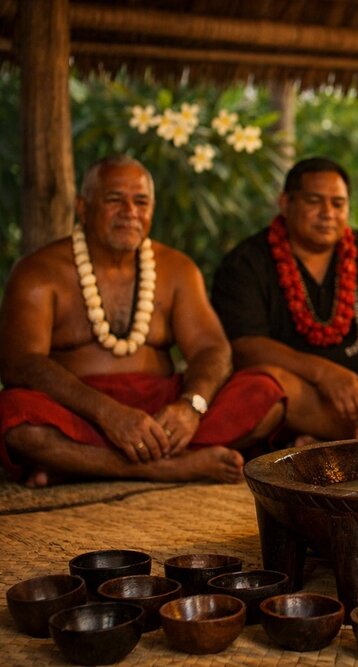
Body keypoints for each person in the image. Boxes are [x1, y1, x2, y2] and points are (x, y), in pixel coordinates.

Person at [0, 155, 285, 487]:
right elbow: (20, 364)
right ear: (83, 207)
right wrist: (107, 413)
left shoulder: (177, 269)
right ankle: (165, 468)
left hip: (161, 413)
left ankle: (80, 464)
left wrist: (190, 407)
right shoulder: (39, 271)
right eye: (114, 200)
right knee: (14, 416)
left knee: (265, 394)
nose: (130, 212)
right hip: (79, 410)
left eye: (141, 201)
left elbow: (211, 348)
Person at [211, 158, 358, 442]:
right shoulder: (246, 264)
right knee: (268, 386)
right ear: (285, 203)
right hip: (302, 397)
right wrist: (325, 374)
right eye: (314, 201)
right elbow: (245, 348)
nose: (327, 213)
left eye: (338, 203)